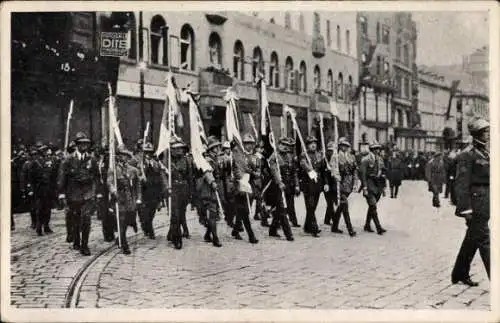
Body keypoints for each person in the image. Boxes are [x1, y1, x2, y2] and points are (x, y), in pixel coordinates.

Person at [451, 118, 490, 286]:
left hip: (485, 201)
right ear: (478, 134)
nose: (488, 134)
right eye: (485, 132)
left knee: (472, 239)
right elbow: (461, 184)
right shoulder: (467, 154)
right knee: (485, 241)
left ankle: (459, 273)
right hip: (475, 204)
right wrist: (466, 210)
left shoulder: (486, 152)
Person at [57, 132, 100, 256]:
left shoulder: (92, 160)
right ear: (76, 145)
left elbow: (97, 177)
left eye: (86, 144)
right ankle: (76, 239)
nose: (84, 146)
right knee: (75, 219)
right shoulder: (68, 160)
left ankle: (84, 245)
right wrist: (61, 193)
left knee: (86, 219)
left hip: (87, 194)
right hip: (73, 194)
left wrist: (96, 192)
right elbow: (62, 178)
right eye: (81, 144)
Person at [107, 146, 142, 255]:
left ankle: (120, 238)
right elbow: (110, 183)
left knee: (127, 220)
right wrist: (113, 192)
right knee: (121, 220)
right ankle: (124, 243)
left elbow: (138, 186)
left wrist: (139, 198)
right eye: (122, 156)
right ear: (118, 157)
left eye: (126, 156)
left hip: (130, 199)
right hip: (119, 198)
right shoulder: (113, 169)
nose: (124, 158)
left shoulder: (133, 170)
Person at [166, 137, 193, 249]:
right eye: (176, 149)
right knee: (175, 214)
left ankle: (171, 233)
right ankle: (177, 239)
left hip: (184, 189)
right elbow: (164, 175)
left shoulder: (186, 160)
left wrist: (191, 192)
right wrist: (167, 188)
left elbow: (190, 176)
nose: (178, 151)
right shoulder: (167, 161)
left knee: (180, 213)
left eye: (180, 149)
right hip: (173, 189)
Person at [231, 134, 259, 244]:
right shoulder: (237, 155)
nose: (249, 146)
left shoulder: (254, 156)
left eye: (251, 144)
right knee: (245, 211)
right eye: (247, 144)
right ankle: (251, 236)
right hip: (240, 185)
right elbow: (237, 170)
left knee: (242, 210)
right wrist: (244, 175)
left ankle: (235, 229)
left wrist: (254, 172)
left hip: (250, 185)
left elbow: (256, 169)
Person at [300, 135, 328, 237]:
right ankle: (314, 228)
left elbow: (324, 170)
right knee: (310, 206)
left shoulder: (320, 155)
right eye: (311, 143)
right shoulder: (304, 155)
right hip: (307, 184)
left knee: (313, 206)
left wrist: (325, 183)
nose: (313, 145)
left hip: (317, 184)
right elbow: (303, 165)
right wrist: (311, 172)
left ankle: (307, 226)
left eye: (314, 143)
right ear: (307, 145)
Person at [198, 137, 223, 248]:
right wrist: (212, 181)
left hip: (215, 187)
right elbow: (207, 172)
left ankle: (208, 235)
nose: (218, 148)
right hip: (208, 188)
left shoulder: (216, 159)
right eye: (216, 147)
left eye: (218, 146)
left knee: (215, 213)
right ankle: (215, 238)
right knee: (212, 213)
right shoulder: (207, 160)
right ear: (211, 149)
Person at [139, 142, 168, 239]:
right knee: (145, 212)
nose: (148, 154)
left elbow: (159, 176)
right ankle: (149, 230)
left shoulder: (156, 163)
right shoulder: (140, 163)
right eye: (146, 152)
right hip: (144, 191)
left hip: (154, 191)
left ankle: (147, 227)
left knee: (152, 212)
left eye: (150, 152)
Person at [331, 137, 357, 237]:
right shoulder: (335, 157)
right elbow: (333, 169)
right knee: (345, 206)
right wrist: (336, 175)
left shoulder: (352, 157)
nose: (344, 148)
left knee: (341, 207)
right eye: (342, 145)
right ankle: (350, 229)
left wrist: (355, 183)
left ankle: (334, 226)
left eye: (346, 146)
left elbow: (355, 170)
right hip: (339, 185)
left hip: (348, 185)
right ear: (339, 146)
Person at [360, 141, 387, 235]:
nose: (377, 150)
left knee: (372, 207)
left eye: (378, 148)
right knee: (373, 205)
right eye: (375, 148)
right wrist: (364, 187)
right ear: (371, 149)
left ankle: (367, 225)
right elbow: (363, 174)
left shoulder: (380, 159)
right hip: (369, 183)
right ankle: (378, 227)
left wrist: (383, 187)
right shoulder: (365, 159)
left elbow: (383, 172)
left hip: (378, 185)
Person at [278, 137, 301, 227]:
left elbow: (294, 172)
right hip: (280, 183)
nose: (285, 147)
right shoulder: (276, 157)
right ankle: (278, 222)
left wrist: (296, 185)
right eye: (283, 144)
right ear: (279, 144)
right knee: (280, 204)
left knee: (290, 203)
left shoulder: (289, 157)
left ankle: (293, 220)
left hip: (289, 183)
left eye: (287, 145)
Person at [323, 141, 338, 225]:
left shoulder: (335, 156)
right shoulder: (326, 157)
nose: (331, 152)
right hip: (327, 182)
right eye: (330, 150)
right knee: (330, 202)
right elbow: (325, 172)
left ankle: (327, 220)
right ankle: (335, 219)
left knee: (330, 202)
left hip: (333, 182)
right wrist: (326, 183)